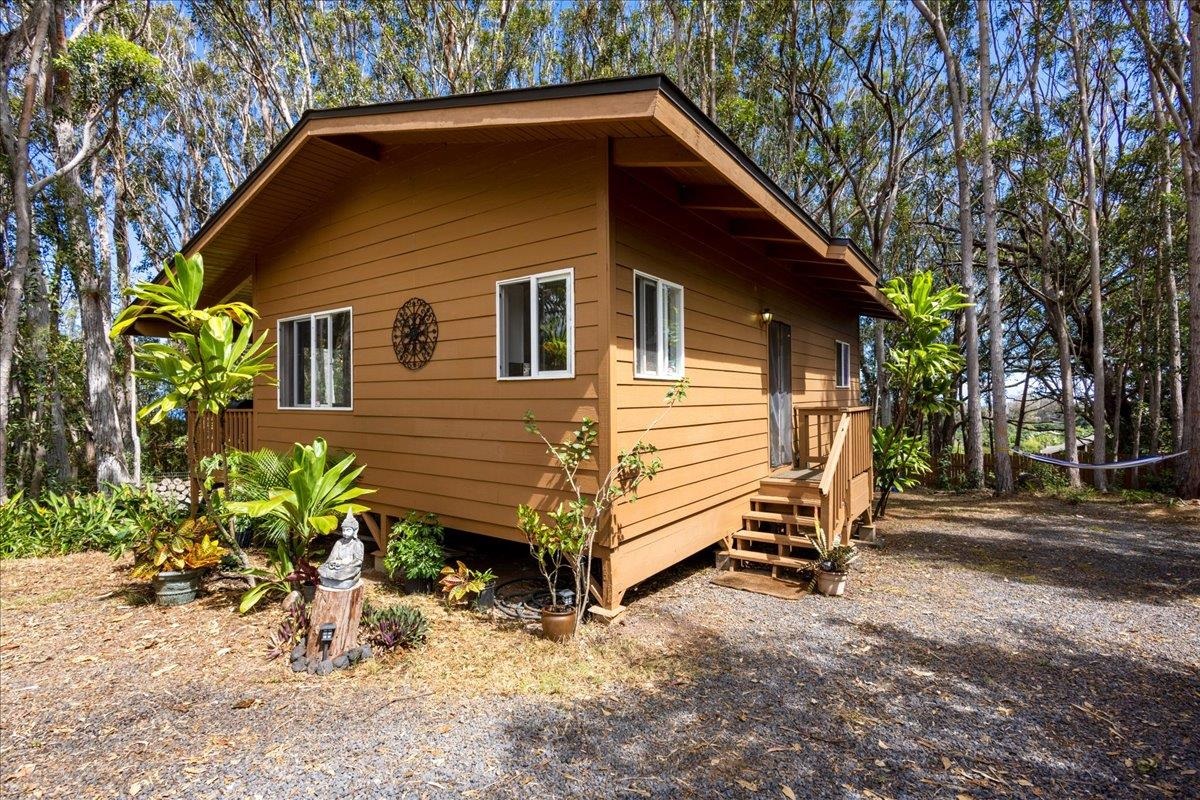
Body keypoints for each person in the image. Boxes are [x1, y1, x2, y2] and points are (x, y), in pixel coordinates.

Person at [318, 511, 364, 589]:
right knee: (322, 568)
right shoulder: (339, 542)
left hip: (349, 567)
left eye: (348, 530)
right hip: (336, 565)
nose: (345, 533)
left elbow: (358, 561)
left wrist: (346, 563)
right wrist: (331, 562)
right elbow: (331, 557)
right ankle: (333, 580)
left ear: (355, 531)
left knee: (347, 571)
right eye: (344, 530)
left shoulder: (357, 544)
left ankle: (343, 581)